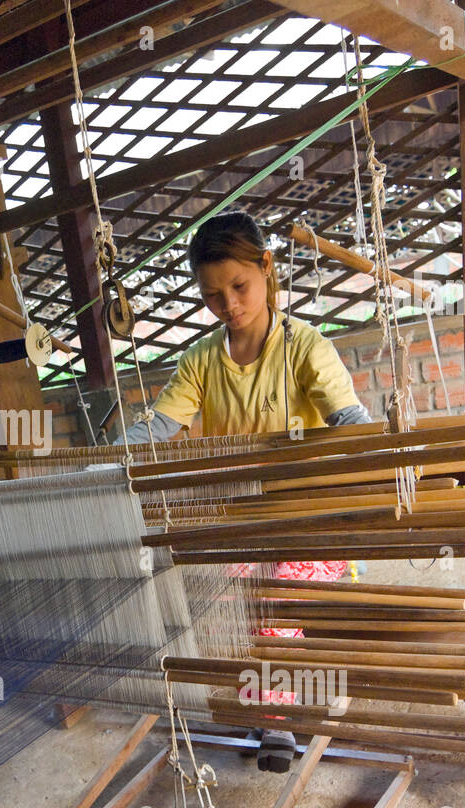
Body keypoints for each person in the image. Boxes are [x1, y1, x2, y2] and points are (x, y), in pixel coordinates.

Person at [119, 211, 372, 772]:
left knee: (278, 595)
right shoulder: (202, 361)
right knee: (228, 596)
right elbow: (159, 426)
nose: (229, 304)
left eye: (240, 286)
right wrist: (107, 460)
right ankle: (269, 696)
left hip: (308, 521)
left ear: (267, 268)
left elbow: (346, 415)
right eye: (213, 296)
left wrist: (380, 449)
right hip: (243, 522)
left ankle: (277, 722)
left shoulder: (305, 347)